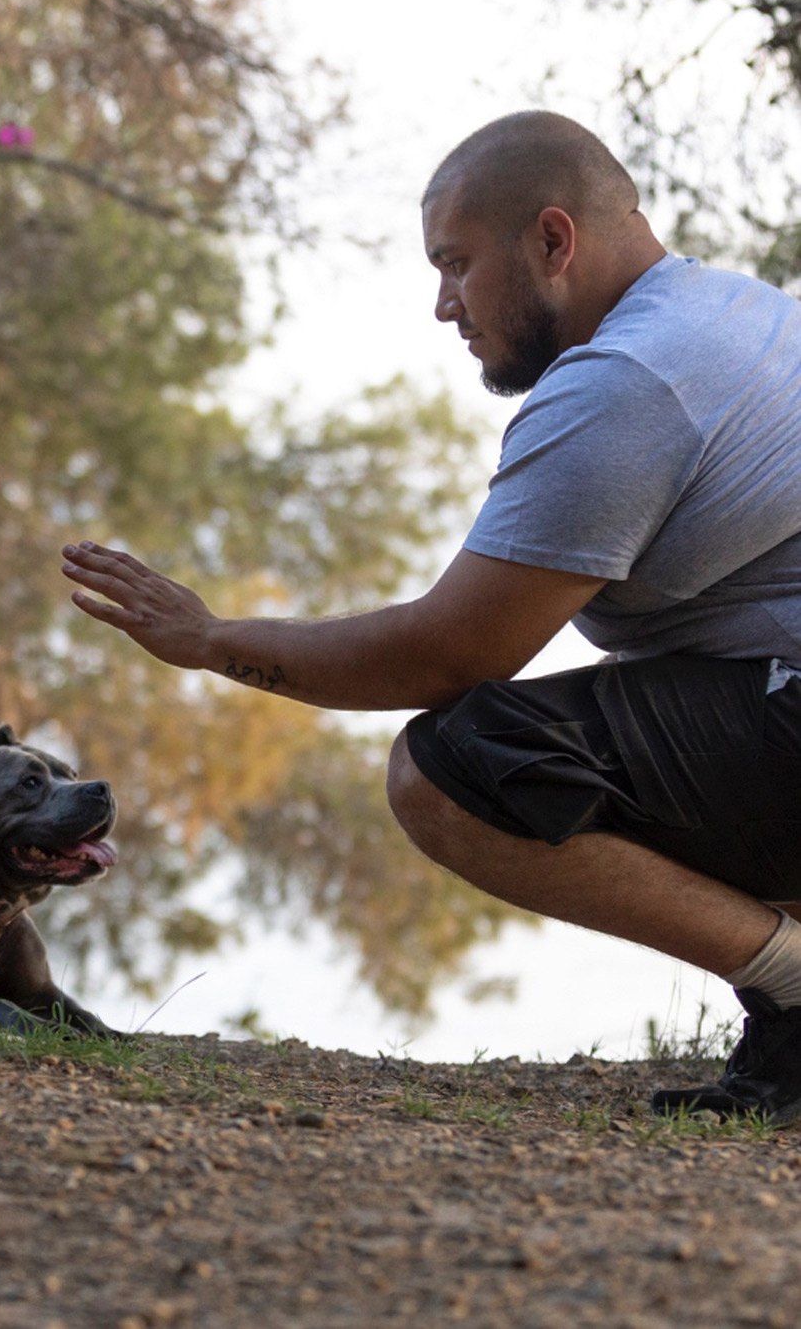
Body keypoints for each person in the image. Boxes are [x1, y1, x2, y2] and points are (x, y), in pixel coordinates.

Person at [60, 110, 801, 1125]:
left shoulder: (628, 381)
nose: (444, 306)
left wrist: (211, 641)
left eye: (455, 265)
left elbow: (447, 653)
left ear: (552, 240)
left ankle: (793, 984)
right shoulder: (732, 312)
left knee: (455, 769)